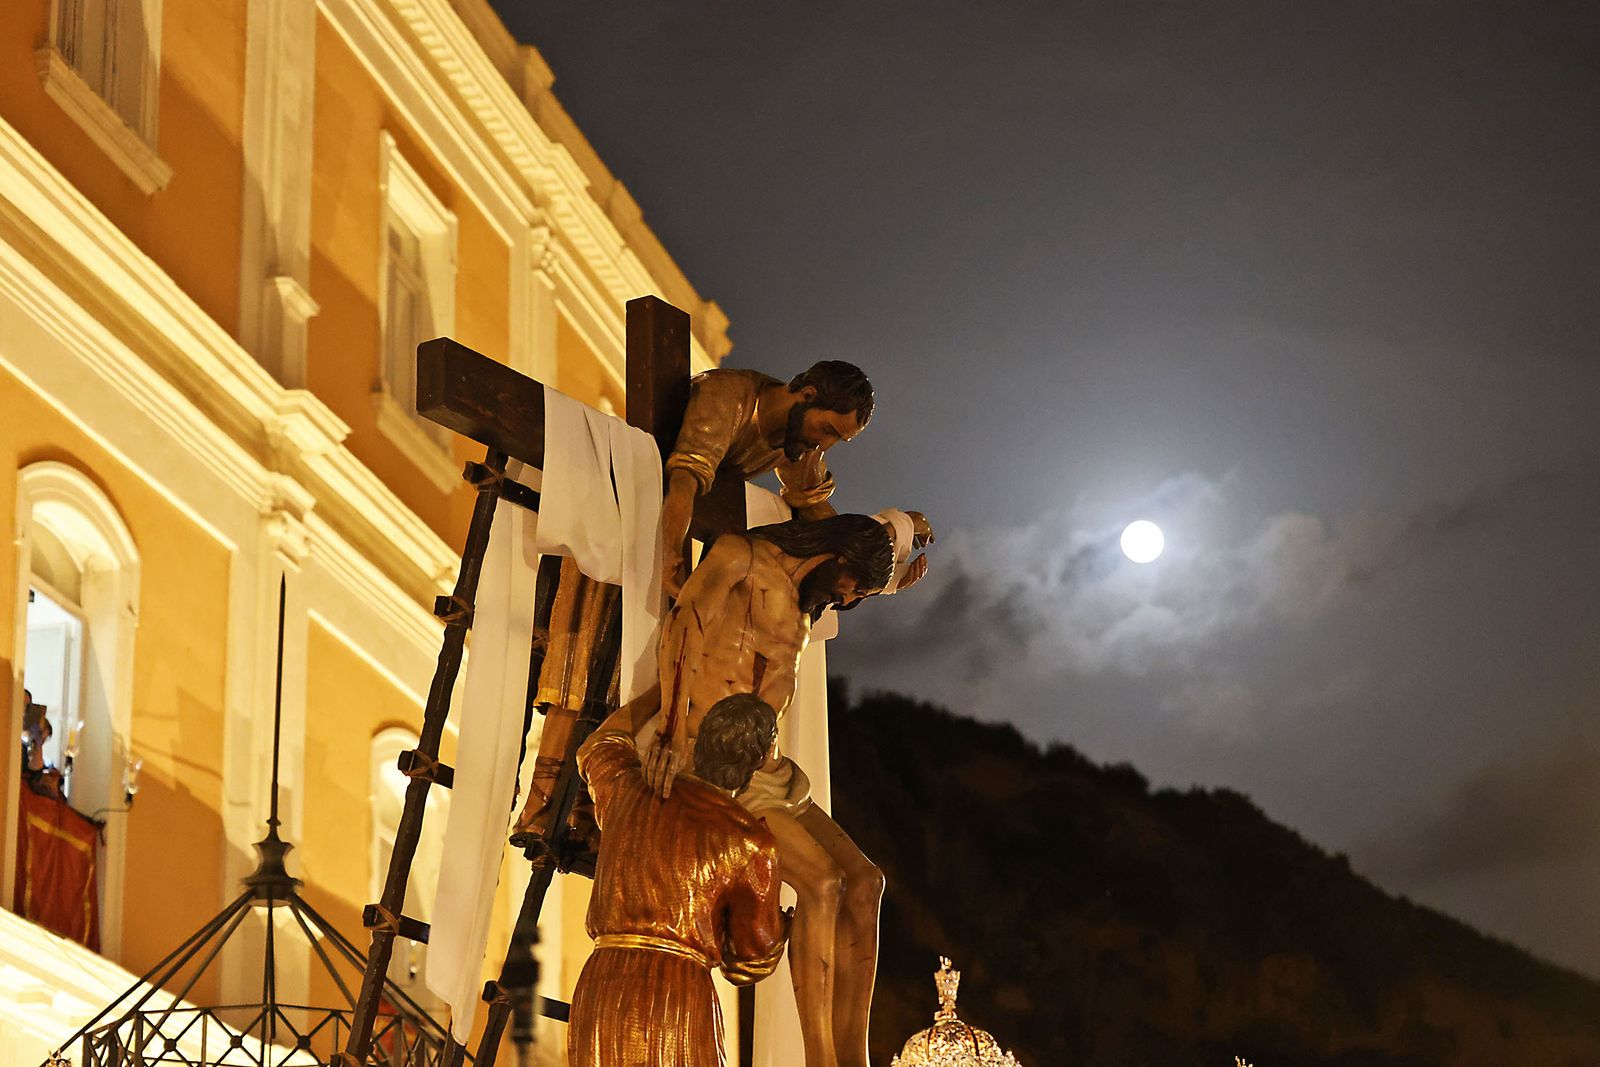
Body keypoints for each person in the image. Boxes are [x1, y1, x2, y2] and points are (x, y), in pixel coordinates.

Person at [511, 359, 875, 846]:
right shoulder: (729, 396)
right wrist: (668, 559)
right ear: (805, 394)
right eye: (827, 429)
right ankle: (541, 801)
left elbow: (820, 516)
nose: (824, 445)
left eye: (836, 440)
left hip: (687, 559)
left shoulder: (795, 440)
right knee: (585, 659)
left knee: (642, 676)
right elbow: (685, 478)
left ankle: (588, 810)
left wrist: (882, 558)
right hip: (628, 527)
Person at [640, 514, 895, 1067]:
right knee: (821, 881)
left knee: (866, 882)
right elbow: (683, 624)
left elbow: (867, 536)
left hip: (773, 770)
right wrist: (666, 725)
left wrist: (906, 542)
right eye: (850, 587)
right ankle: (820, 1059)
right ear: (837, 556)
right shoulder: (741, 557)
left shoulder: (808, 603)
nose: (845, 601)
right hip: (718, 762)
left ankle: (856, 1056)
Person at [568, 694, 789, 1066]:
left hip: (603, 983)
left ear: (700, 739)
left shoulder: (629, 790)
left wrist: (662, 692)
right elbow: (751, 962)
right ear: (765, 756)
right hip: (676, 992)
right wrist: (784, 928)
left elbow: (599, 746)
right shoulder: (751, 844)